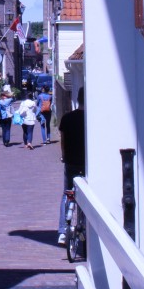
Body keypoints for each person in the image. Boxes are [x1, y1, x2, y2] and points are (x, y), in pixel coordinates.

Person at [57, 87, 86, 249]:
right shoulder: (91, 119)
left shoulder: (67, 118)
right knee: (86, 195)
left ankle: (62, 231)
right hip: (86, 162)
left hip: (71, 161)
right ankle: (84, 230)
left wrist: (64, 155)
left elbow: (63, 140)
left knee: (67, 193)